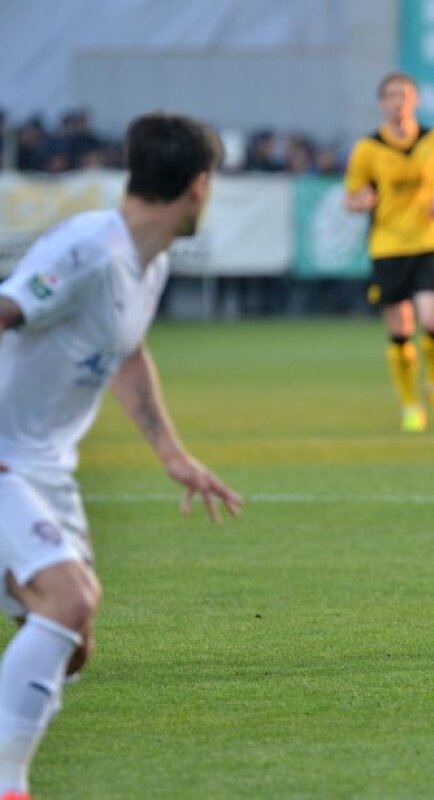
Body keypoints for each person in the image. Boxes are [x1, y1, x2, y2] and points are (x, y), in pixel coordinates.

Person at [0, 111, 243, 799]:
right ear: (199, 187)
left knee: (72, 646)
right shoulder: (86, 250)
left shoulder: (151, 262)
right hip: (5, 458)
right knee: (70, 599)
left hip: (47, 469)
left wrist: (172, 453)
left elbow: (127, 352)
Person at [344, 72, 434, 432]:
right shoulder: (367, 149)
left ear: (415, 101)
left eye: (405, 96)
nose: (399, 102)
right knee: (400, 331)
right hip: (388, 247)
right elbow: (351, 197)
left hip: (427, 242)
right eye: (392, 96)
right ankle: (410, 403)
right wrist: (361, 201)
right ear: (382, 103)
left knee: (433, 321)